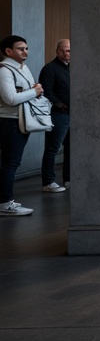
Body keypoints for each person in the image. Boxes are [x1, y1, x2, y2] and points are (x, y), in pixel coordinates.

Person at [0, 35, 42, 216]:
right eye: (20, 48)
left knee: (11, 162)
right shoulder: (4, 71)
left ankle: (7, 200)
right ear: (8, 51)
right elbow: (10, 99)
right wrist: (34, 91)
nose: (25, 51)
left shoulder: (23, 68)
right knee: (10, 163)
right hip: (10, 121)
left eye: (26, 48)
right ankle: (5, 203)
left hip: (21, 119)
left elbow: (29, 91)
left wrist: (33, 91)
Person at [37, 38, 70, 193]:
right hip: (58, 114)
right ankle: (48, 182)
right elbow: (46, 91)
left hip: (73, 114)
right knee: (52, 149)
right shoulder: (49, 68)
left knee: (71, 148)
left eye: (69, 50)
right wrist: (60, 104)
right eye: (62, 50)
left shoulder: (72, 67)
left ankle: (69, 179)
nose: (65, 53)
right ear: (57, 51)